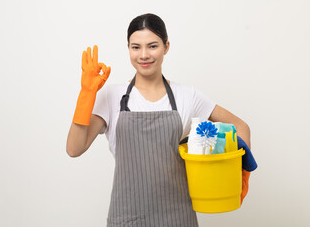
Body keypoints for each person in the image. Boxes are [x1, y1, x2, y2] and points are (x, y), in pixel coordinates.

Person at [66, 13, 251, 227]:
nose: (144, 55)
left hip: (178, 216)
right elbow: (74, 148)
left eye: (152, 46)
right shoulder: (111, 96)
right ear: (128, 48)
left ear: (166, 46)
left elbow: (241, 127)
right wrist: (86, 95)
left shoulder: (187, 96)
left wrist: (240, 172)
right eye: (136, 47)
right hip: (128, 217)